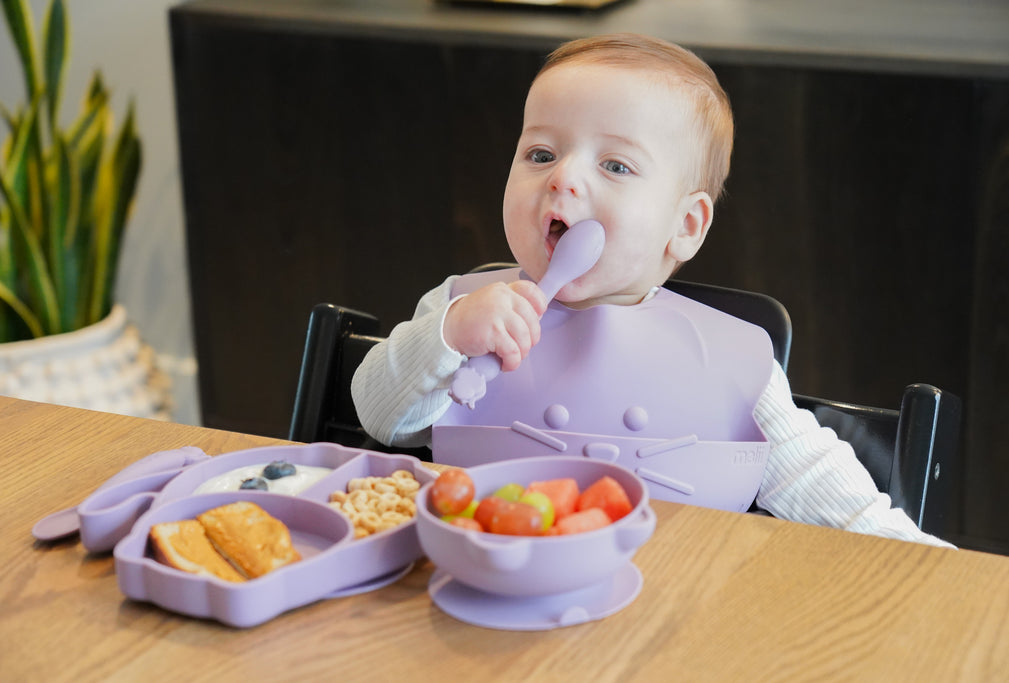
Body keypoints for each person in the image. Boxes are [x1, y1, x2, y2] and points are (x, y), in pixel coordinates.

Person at [352, 33, 953, 548]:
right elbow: (381, 420)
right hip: (482, 590)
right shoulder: (463, 312)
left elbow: (816, 484)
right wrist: (448, 336)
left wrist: (929, 559)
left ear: (685, 225)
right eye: (541, 153)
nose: (563, 176)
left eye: (616, 166)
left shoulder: (728, 361)